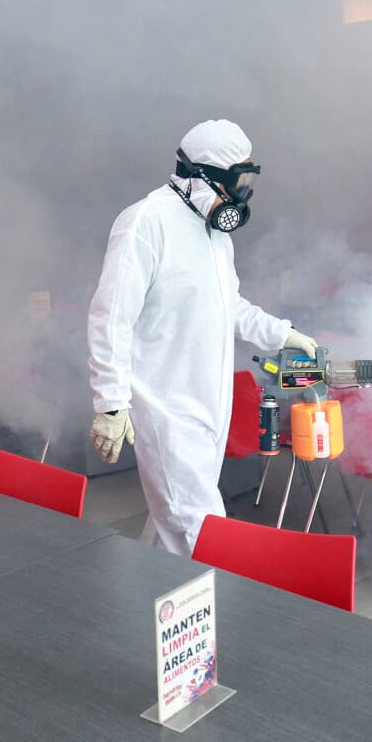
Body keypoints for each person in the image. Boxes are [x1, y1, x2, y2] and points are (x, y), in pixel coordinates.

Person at [87, 120, 317, 555]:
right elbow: (110, 317)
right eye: (238, 181)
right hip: (165, 409)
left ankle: (142, 607)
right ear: (204, 174)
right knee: (202, 532)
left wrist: (282, 334)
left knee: (172, 523)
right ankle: (221, 620)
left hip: (210, 406)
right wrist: (111, 402)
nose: (243, 194)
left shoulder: (215, 234)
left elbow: (229, 306)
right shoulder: (145, 223)